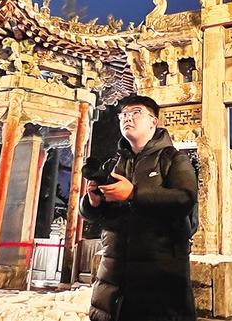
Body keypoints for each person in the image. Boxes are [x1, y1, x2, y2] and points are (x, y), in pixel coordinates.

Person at [80, 95, 198, 321]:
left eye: (136, 113)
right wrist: (93, 202)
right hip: (113, 272)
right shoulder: (114, 163)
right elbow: (99, 216)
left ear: (154, 121)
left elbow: (185, 199)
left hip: (160, 275)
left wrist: (133, 194)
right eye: (123, 115)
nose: (128, 118)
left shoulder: (174, 159)